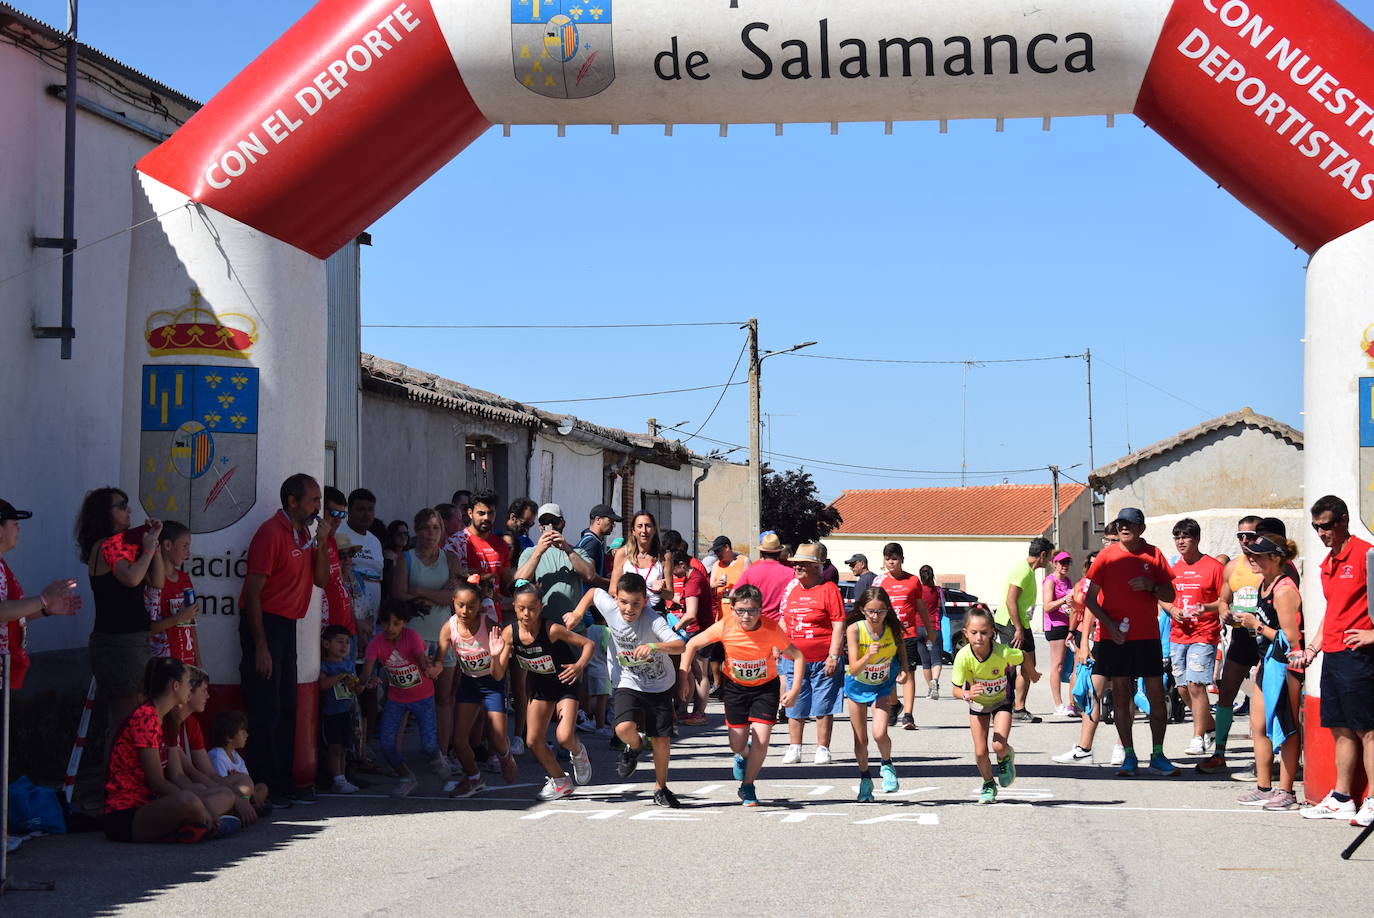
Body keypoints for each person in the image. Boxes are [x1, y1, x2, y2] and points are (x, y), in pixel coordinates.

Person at [239, 473, 327, 808]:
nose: (318, 507)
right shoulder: (270, 533)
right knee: (266, 709)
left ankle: (284, 782)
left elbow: (320, 580)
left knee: (287, 706)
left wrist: (322, 541)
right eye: (313, 500)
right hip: (265, 626)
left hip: (288, 626)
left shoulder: (304, 533)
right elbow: (253, 594)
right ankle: (266, 784)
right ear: (293, 501)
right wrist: (261, 646)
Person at [678, 584, 803, 806]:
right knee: (737, 744)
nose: (747, 616)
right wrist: (683, 675)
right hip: (736, 688)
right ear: (733, 609)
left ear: (761, 610)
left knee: (762, 740)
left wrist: (794, 690)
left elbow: (798, 656)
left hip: (765, 688)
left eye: (753, 610)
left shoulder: (771, 628)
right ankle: (742, 755)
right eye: (741, 611)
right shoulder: (725, 626)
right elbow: (692, 644)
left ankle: (748, 786)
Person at [572, 573, 687, 807]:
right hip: (627, 679)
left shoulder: (653, 620)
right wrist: (577, 612)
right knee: (622, 727)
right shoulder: (612, 608)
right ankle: (634, 746)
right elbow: (593, 592)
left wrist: (654, 645)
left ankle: (660, 788)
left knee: (661, 739)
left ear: (645, 600)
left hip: (659, 683)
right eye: (624, 602)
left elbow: (680, 645)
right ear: (616, 599)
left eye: (636, 603)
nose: (629, 609)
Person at [1082, 508, 1180, 778]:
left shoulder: (1154, 554)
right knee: (1122, 697)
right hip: (1116, 638)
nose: (1124, 528)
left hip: (1147, 636)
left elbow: (1170, 593)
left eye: (1130, 524)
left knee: (1156, 695)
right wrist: (1109, 625)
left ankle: (1158, 754)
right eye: (1120, 524)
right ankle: (1129, 755)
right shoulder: (1106, 556)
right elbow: (1089, 599)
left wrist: (1150, 586)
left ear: (1141, 528)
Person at [103, 657, 238, 843]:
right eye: (187, 683)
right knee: (189, 800)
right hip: (127, 814)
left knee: (225, 794)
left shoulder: (164, 718)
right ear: (175, 686)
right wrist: (201, 805)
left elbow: (180, 775)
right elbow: (157, 781)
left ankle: (196, 825)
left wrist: (203, 802)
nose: (190, 689)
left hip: (152, 804)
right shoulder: (146, 717)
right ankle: (201, 824)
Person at [1301, 495, 1374, 825]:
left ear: (1344, 520)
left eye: (1327, 526)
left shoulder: (1366, 554)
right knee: (1341, 730)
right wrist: (1313, 647)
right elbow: (1333, 613)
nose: (1322, 533)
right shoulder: (1327, 564)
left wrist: (1373, 635)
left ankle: (1372, 801)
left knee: (1368, 731)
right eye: (1317, 527)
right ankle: (1343, 798)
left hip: (1360, 658)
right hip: (1332, 655)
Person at [77, 486, 163, 731]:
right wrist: (147, 549)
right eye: (122, 505)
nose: (129, 510)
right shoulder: (106, 545)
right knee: (129, 723)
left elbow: (156, 581)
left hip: (129, 640)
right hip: (121, 644)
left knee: (128, 722)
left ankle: (120, 769)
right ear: (105, 513)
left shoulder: (121, 545)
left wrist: (153, 545)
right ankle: (120, 770)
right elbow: (132, 578)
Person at [498, 583, 594, 800]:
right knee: (532, 741)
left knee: (564, 736)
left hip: (565, 682)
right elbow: (497, 673)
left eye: (532, 608)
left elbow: (588, 644)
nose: (526, 613)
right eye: (521, 608)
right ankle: (560, 781)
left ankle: (578, 751)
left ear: (540, 607)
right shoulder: (509, 634)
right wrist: (498, 654)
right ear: (514, 607)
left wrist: (579, 666)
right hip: (541, 687)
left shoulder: (551, 629)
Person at [1231, 534, 1305, 811]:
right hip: (1267, 662)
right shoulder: (1265, 583)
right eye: (1249, 553)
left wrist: (1257, 626)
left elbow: (1291, 640)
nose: (1251, 558)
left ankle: (1287, 792)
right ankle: (1264, 787)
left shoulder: (1284, 590)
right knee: (1259, 726)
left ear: (1275, 558)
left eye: (1257, 555)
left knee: (1286, 728)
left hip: (1285, 667)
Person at [390, 507, 462, 769]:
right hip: (412, 638)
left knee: (443, 699)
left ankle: (441, 755)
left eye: (436, 528)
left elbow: (452, 597)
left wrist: (417, 591)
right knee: (405, 699)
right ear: (417, 531)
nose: (431, 533)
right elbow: (399, 596)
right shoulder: (405, 559)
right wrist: (436, 594)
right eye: (426, 528)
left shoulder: (451, 560)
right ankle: (396, 759)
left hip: (444, 637)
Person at [1197, 515, 1264, 774]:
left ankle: (1269, 757)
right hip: (1239, 638)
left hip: (1263, 638)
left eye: (1250, 535)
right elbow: (1223, 600)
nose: (1245, 540)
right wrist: (1224, 611)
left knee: (1264, 700)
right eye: (1240, 536)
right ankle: (1219, 753)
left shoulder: (1272, 566)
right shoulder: (1232, 567)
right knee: (1226, 695)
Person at [363, 599, 446, 797]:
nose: (390, 628)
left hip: (423, 697)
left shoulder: (412, 637)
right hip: (396, 699)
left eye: (396, 623)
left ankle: (437, 758)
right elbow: (366, 671)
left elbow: (421, 659)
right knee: (386, 744)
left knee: (428, 745)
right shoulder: (376, 643)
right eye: (385, 623)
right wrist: (365, 682)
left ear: (404, 623)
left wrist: (430, 666)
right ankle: (406, 777)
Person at [439, 583, 514, 796]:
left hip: (493, 683)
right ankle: (474, 777)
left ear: (479, 606)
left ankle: (506, 755)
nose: (465, 611)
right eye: (460, 605)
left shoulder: (490, 626)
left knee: (498, 740)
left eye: (471, 606)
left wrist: (494, 655)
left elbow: (499, 675)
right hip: (469, 684)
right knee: (459, 740)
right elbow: (439, 662)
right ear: (453, 604)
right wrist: (429, 666)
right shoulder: (448, 628)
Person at [0, 499, 83, 693]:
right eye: (14, 524)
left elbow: (10, 617)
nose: (18, 530)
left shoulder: (3, 566)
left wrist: (44, 609)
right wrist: (43, 599)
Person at [952, 607, 1033, 804]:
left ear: (992, 633)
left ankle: (1005, 757)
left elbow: (1023, 656)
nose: (979, 637)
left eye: (984, 633)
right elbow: (954, 689)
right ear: (965, 633)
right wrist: (967, 694)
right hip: (978, 704)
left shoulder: (1002, 652)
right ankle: (988, 784)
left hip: (1001, 701)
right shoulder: (963, 657)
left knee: (998, 744)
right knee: (980, 752)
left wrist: (1033, 673)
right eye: (974, 633)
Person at [776, 543, 846, 765]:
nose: (797, 567)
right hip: (793, 659)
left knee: (823, 704)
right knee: (794, 703)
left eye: (803, 564)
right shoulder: (792, 588)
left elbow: (838, 625)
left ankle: (822, 748)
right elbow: (784, 619)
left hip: (822, 658)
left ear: (817, 567)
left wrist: (833, 656)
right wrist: (777, 644)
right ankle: (794, 747)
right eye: (796, 564)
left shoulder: (829, 589)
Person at [1162, 519, 1225, 757]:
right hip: (1178, 634)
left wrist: (1205, 607)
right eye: (1177, 536)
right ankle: (1209, 727)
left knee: (1196, 685)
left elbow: (1224, 601)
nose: (1180, 541)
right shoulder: (1173, 568)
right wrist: (1171, 609)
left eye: (1185, 536)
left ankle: (1198, 736)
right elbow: (1161, 596)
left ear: (1196, 539)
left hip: (1204, 633)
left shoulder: (1213, 567)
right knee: (1182, 688)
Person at [843, 587, 911, 801]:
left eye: (880, 612)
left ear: (887, 611)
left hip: (882, 686)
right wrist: (868, 656)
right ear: (863, 610)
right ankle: (865, 779)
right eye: (871, 611)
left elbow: (901, 651)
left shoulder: (892, 628)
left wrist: (904, 671)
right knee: (861, 739)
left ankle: (887, 764)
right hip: (857, 686)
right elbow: (853, 668)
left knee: (879, 733)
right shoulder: (854, 629)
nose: (875, 616)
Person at [1053, 550, 1111, 764]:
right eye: (1092, 563)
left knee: (1123, 694)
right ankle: (1084, 747)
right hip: (1096, 638)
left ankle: (1125, 749)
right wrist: (1081, 639)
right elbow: (1083, 610)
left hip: (1121, 637)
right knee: (1090, 690)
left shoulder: (1114, 580)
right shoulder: (1085, 583)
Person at [872, 542, 931, 730]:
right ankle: (894, 704)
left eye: (895, 559)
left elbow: (921, 607)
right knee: (888, 674)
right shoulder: (879, 581)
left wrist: (929, 630)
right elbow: (873, 607)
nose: (891, 563)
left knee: (908, 673)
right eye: (888, 559)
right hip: (887, 635)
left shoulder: (913, 581)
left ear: (902, 560)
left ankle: (908, 714)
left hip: (908, 633)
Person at [515, 503, 599, 630]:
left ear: (563, 523)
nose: (550, 526)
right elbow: (520, 581)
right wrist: (538, 552)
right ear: (539, 527)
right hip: (542, 629)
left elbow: (589, 575)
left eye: (555, 521)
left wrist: (567, 549)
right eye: (545, 522)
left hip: (572, 628)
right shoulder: (530, 552)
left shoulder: (577, 552)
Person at [1002, 537, 1053, 723]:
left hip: (1021, 622)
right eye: (1049, 557)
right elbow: (1010, 600)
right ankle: (1006, 707)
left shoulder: (1029, 572)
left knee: (1028, 664)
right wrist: (1017, 628)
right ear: (1042, 555)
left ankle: (1018, 707)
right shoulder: (1023, 571)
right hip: (1010, 622)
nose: (1050, 561)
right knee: (1012, 666)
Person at [670, 549, 716, 725]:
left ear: (682, 565)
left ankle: (700, 713)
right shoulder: (694, 577)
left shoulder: (693, 582)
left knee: (699, 673)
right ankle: (689, 710)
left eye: (673, 568)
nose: (672, 573)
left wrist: (675, 627)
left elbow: (691, 613)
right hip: (699, 630)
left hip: (699, 631)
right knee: (690, 672)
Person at [145, 521, 199, 666]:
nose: (188, 552)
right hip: (163, 666)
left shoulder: (185, 579)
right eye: (184, 546)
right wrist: (179, 617)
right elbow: (147, 629)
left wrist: (197, 662)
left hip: (186, 662)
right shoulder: (150, 582)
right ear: (167, 545)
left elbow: (190, 624)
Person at [319, 624, 361, 794]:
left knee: (344, 747)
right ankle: (336, 778)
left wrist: (363, 684)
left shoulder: (349, 664)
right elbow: (322, 685)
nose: (344, 646)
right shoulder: (325, 666)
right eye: (339, 642)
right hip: (331, 713)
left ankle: (342, 777)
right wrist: (339, 677)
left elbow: (357, 688)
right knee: (334, 747)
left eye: (347, 642)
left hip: (347, 712)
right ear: (326, 644)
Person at [208, 710, 271, 813]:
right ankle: (250, 806)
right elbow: (220, 784)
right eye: (242, 732)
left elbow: (248, 781)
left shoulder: (236, 756)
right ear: (229, 737)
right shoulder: (217, 755)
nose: (247, 735)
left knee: (263, 787)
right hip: (229, 792)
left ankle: (253, 805)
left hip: (243, 793)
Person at [608, 510, 672, 610]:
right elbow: (612, 590)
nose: (644, 530)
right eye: (640, 526)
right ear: (633, 531)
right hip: (628, 612)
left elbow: (670, 595)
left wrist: (659, 591)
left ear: (654, 529)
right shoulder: (622, 554)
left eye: (648, 526)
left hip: (653, 613)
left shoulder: (665, 557)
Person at [317, 488, 358, 641]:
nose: (338, 520)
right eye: (334, 513)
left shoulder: (333, 541)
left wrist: (355, 622)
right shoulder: (314, 544)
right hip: (329, 637)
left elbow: (341, 586)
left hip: (347, 631)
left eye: (342, 515)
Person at [345, 488, 385, 639]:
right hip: (348, 621)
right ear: (349, 510)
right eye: (360, 509)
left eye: (370, 509)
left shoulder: (375, 541)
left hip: (371, 622)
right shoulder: (339, 534)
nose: (366, 514)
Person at [1040, 551, 1074, 716]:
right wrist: (1064, 600)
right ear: (1054, 563)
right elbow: (1047, 606)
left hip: (1068, 624)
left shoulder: (1067, 580)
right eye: (1062, 562)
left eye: (1068, 562)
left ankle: (1072, 704)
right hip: (1055, 626)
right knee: (1057, 665)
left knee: (1070, 665)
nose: (1065, 565)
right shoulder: (1050, 581)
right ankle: (1058, 704)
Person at [733, 532, 796, 621]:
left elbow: (733, 594)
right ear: (779, 552)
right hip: (780, 624)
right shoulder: (791, 573)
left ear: (762, 552)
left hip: (756, 622)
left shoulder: (751, 571)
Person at [916, 564, 945, 700]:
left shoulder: (917, 590)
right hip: (933, 627)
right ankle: (935, 680)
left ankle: (929, 689)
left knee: (925, 661)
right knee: (936, 659)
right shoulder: (938, 590)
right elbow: (942, 608)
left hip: (918, 627)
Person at [575, 504, 621, 589]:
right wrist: (612, 583)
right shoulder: (591, 542)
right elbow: (589, 576)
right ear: (598, 520)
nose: (613, 525)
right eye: (610, 520)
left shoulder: (594, 541)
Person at [380, 518, 411, 601]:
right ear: (392, 536)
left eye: (405, 534)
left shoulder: (409, 555)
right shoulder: (387, 556)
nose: (403, 537)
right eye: (399, 534)